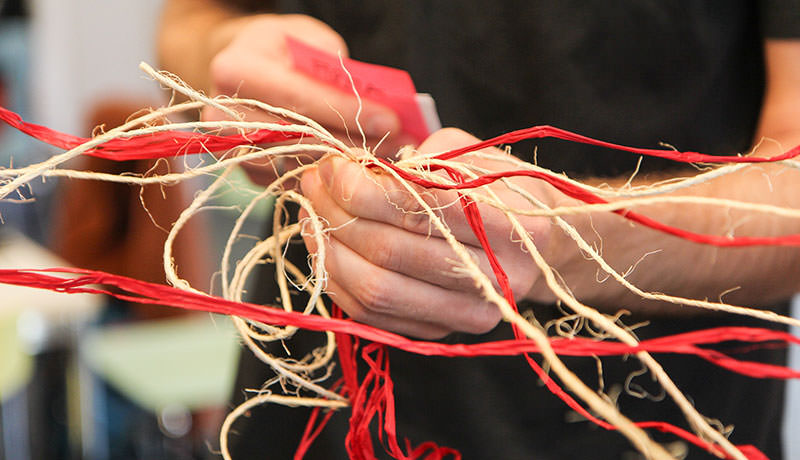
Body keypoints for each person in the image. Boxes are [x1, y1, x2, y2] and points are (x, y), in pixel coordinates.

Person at [158, 1, 800, 458]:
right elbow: (189, 25)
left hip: (650, 424)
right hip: (306, 410)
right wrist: (227, 60)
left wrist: (559, 235)